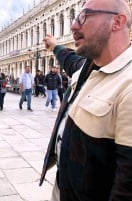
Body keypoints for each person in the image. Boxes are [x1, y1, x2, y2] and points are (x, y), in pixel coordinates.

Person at [40, 0, 132, 200]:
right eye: (74, 18)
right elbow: (69, 60)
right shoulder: (89, 67)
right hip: (63, 187)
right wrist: (55, 46)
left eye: (85, 16)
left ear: (117, 22)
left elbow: (127, 188)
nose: (73, 25)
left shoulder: (128, 85)